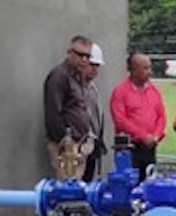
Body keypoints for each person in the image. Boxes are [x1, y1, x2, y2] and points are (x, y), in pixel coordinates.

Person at [110, 52, 167, 180]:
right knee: (130, 183)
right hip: (130, 149)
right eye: (145, 68)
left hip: (150, 148)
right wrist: (143, 136)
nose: (150, 72)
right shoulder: (120, 92)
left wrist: (156, 135)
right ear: (134, 70)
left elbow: (161, 116)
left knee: (150, 183)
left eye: (149, 67)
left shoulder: (154, 91)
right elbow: (120, 120)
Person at [43, 35, 92, 180]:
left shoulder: (79, 76)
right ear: (69, 53)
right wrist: (65, 143)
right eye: (80, 55)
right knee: (67, 189)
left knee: (77, 187)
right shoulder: (59, 76)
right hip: (66, 146)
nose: (84, 60)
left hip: (79, 142)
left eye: (87, 56)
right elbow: (53, 113)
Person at [81, 43, 107, 182]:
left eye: (97, 66)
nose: (95, 70)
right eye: (92, 65)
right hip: (81, 148)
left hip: (92, 147)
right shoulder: (76, 88)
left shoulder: (92, 88)